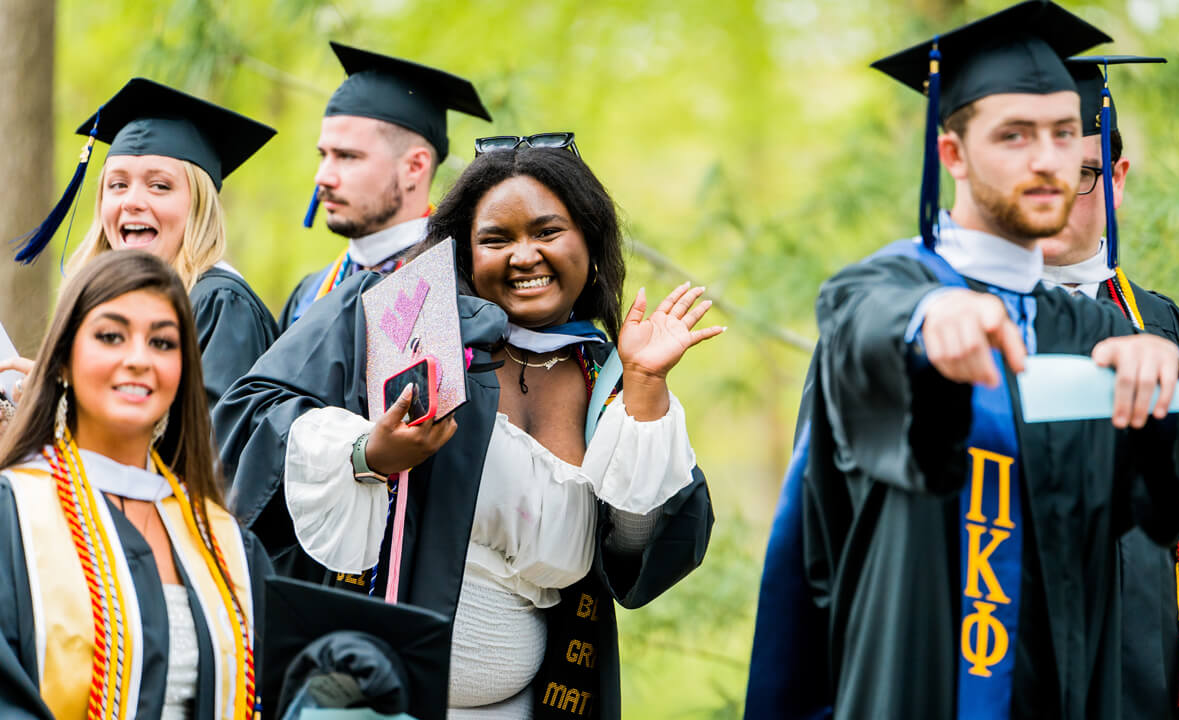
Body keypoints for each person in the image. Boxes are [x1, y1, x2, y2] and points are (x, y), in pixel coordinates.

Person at [794, 2, 1179, 719]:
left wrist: (1171, 372)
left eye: (1066, 134)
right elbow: (862, 327)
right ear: (953, 156)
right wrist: (930, 319)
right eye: (1014, 135)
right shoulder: (886, 288)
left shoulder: (1091, 325)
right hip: (925, 683)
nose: (1047, 159)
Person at [214, 142, 719, 718]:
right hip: (365, 692)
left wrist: (646, 385)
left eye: (548, 232)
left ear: (591, 244)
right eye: (496, 239)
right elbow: (246, 418)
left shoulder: (607, 377)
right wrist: (365, 454)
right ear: (463, 253)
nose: (524, 256)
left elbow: (632, 552)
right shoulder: (396, 315)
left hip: (532, 703)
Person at [1040, 55, 1179, 719]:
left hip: (1153, 680)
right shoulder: (945, 321)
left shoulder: (1160, 323)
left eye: (1085, 175)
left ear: (1117, 180)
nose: (1060, 196)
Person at [0, 250, 270, 719]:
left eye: (163, 343)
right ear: (61, 361)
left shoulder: (225, 543)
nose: (139, 359)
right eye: (111, 336)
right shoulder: (14, 516)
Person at [12, 77, 279, 409]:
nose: (132, 201)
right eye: (118, 184)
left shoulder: (220, 305)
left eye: (159, 186)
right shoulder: (94, 305)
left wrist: (64, 407)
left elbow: (211, 449)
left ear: (199, 206)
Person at [278, 42, 492, 330]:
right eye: (323, 155)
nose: (323, 177)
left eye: (347, 156)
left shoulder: (464, 283)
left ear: (414, 167)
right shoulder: (310, 295)